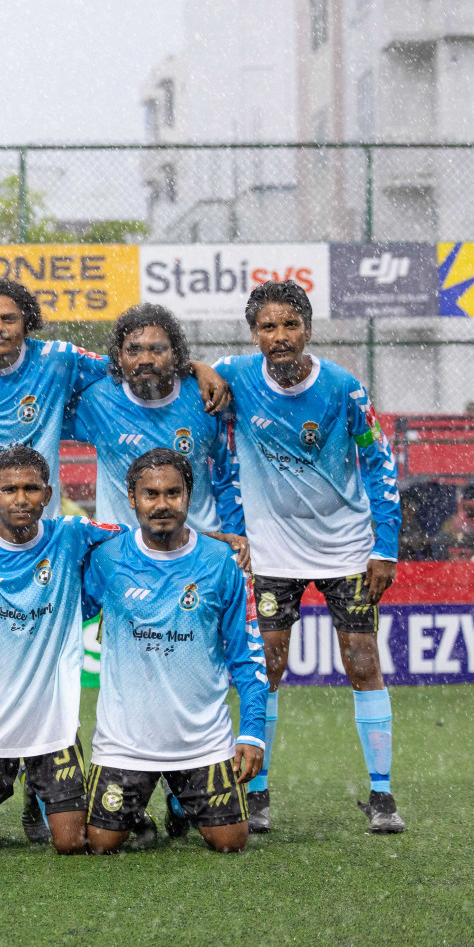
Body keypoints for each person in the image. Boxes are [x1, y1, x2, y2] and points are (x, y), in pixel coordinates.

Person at [0, 280, 234, 830]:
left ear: (29, 324)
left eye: (9, 318)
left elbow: (133, 367)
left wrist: (198, 370)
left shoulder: (61, 361)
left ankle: (46, 796)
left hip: (34, 536)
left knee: (45, 658)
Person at [215, 281, 404, 833]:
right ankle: (258, 792)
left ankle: (383, 796)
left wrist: (384, 545)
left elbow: (380, 466)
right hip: (271, 551)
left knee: (363, 663)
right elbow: (220, 457)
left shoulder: (344, 389)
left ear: (308, 329)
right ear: (255, 334)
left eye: (290, 325)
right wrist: (234, 532)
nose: (280, 336)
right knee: (266, 667)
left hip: (345, 548)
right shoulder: (237, 376)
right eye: (268, 327)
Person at [81, 448, 267, 854]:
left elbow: (247, 656)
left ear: (189, 496)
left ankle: (181, 801)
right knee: (100, 843)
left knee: (230, 842)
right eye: (150, 494)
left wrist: (253, 731)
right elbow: (67, 611)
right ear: (132, 499)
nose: (162, 504)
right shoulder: (107, 558)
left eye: (172, 493)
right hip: (124, 741)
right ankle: (139, 810)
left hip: (203, 740)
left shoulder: (223, 563)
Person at [0, 446, 124, 854]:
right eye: (9, 490)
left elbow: (140, 537)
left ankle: (37, 796)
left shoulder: (70, 535)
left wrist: (207, 540)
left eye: (31, 489)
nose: (20, 499)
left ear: (48, 493)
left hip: (51, 725)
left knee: (72, 844)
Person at [70, 303, 245, 537]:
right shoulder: (97, 400)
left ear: (175, 355)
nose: (145, 359)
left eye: (157, 349)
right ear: (119, 357)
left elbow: (229, 477)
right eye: (134, 350)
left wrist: (234, 537)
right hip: (123, 552)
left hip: (198, 548)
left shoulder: (205, 397)